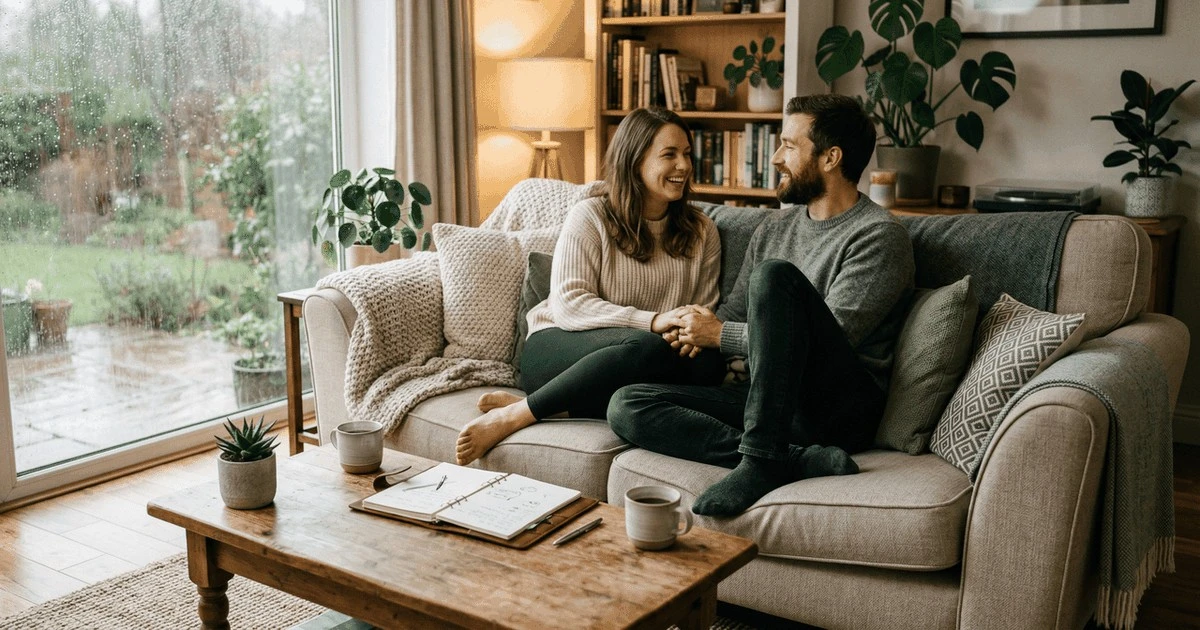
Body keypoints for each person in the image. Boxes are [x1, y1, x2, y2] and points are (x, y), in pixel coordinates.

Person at [607, 94, 915, 516]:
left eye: (788, 145)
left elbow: (832, 339)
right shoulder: (775, 227)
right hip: (767, 401)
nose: (775, 158)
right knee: (628, 405)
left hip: (835, 406)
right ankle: (788, 459)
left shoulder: (878, 235)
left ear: (831, 158)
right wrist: (694, 327)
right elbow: (735, 312)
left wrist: (719, 335)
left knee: (774, 277)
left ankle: (759, 461)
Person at [455, 106, 726, 466]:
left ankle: (557, 406)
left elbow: (701, 311)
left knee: (709, 365)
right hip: (560, 346)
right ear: (635, 160)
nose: (684, 165)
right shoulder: (591, 216)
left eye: (687, 154)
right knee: (644, 346)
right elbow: (570, 304)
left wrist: (687, 333)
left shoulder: (702, 231)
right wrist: (653, 321)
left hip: (647, 355)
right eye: (669, 154)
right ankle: (515, 415)